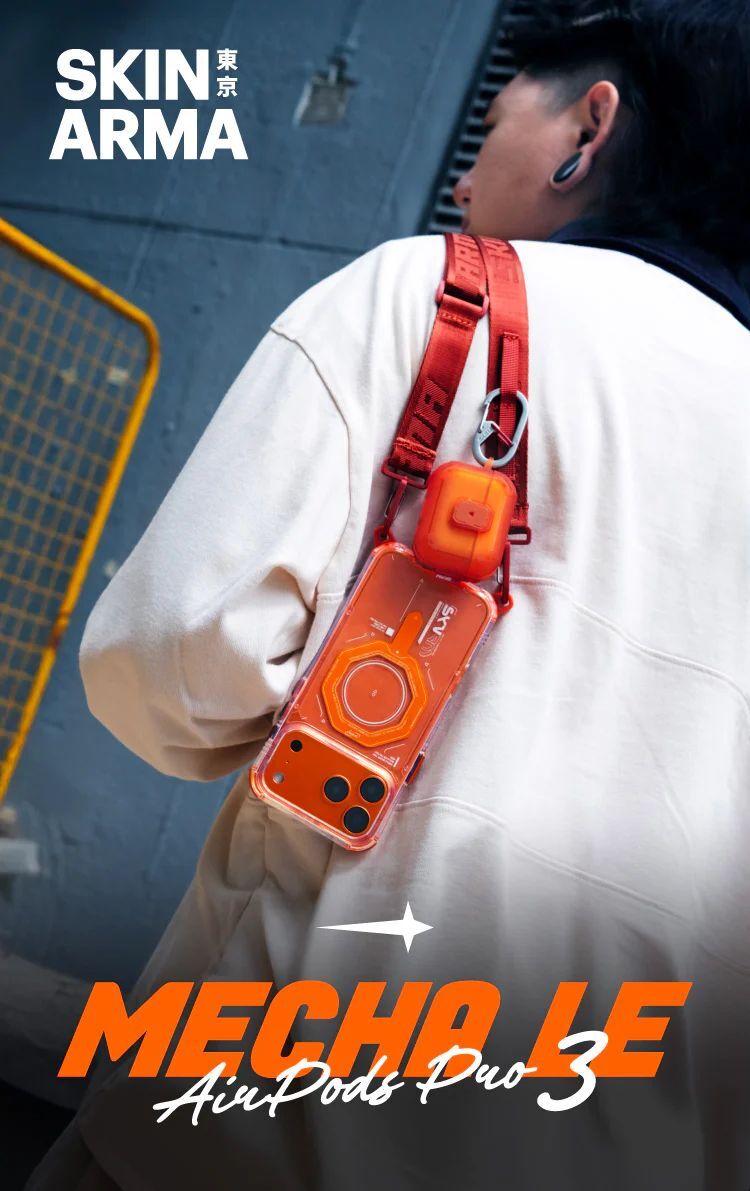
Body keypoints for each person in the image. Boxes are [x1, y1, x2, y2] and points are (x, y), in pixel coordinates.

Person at [29, 2, 750, 1188]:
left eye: (499, 119)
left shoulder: (432, 299)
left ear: (589, 127)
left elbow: (166, 664)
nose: (464, 172)